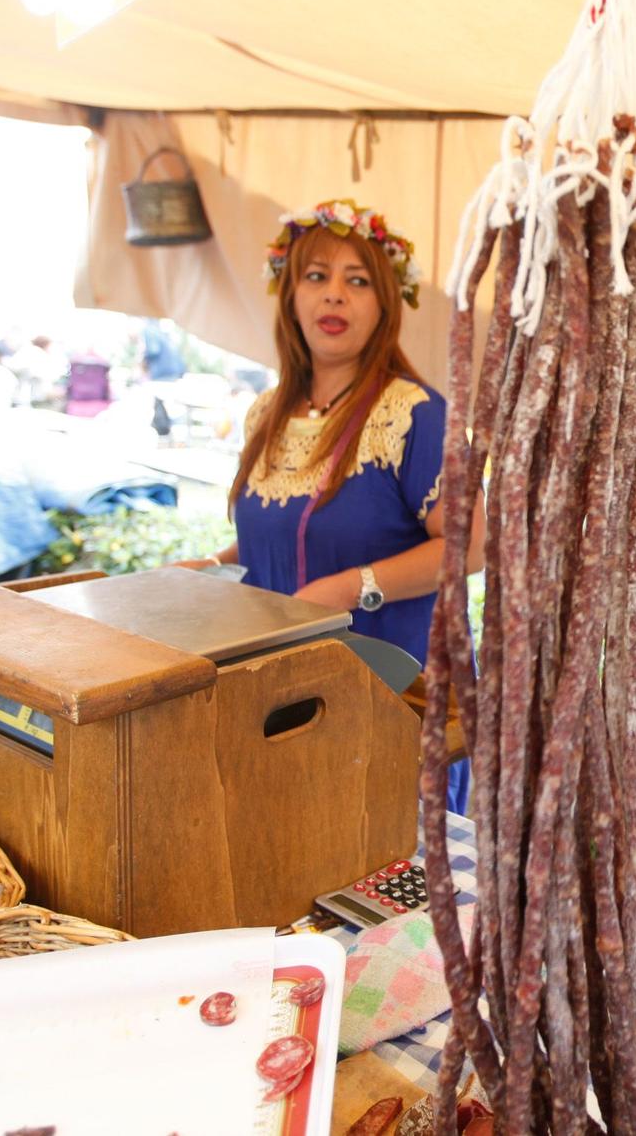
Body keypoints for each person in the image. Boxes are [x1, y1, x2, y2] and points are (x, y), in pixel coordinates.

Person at [185, 200, 483, 813]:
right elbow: (286, 530)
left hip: (388, 692)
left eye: (358, 280)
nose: (335, 296)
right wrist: (209, 569)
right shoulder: (266, 414)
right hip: (272, 692)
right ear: (290, 295)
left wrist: (350, 589)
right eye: (316, 277)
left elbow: (471, 544)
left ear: (385, 304)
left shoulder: (416, 415)